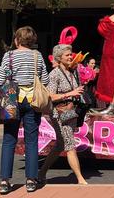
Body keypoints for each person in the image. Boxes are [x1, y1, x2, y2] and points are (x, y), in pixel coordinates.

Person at [0, 27, 49, 195]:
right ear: (32, 41)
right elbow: (45, 79)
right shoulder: (37, 55)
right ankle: (31, 180)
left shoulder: (9, 55)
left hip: (12, 100)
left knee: (9, 139)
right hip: (32, 100)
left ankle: (4, 181)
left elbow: (0, 79)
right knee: (31, 140)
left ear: (17, 40)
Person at [39, 44, 88, 185]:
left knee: (60, 145)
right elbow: (50, 96)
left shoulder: (72, 72)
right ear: (59, 58)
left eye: (70, 54)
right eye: (67, 55)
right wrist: (69, 94)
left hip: (71, 113)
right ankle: (80, 178)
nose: (70, 56)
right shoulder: (54, 74)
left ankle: (41, 173)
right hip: (59, 114)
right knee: (70, 145)